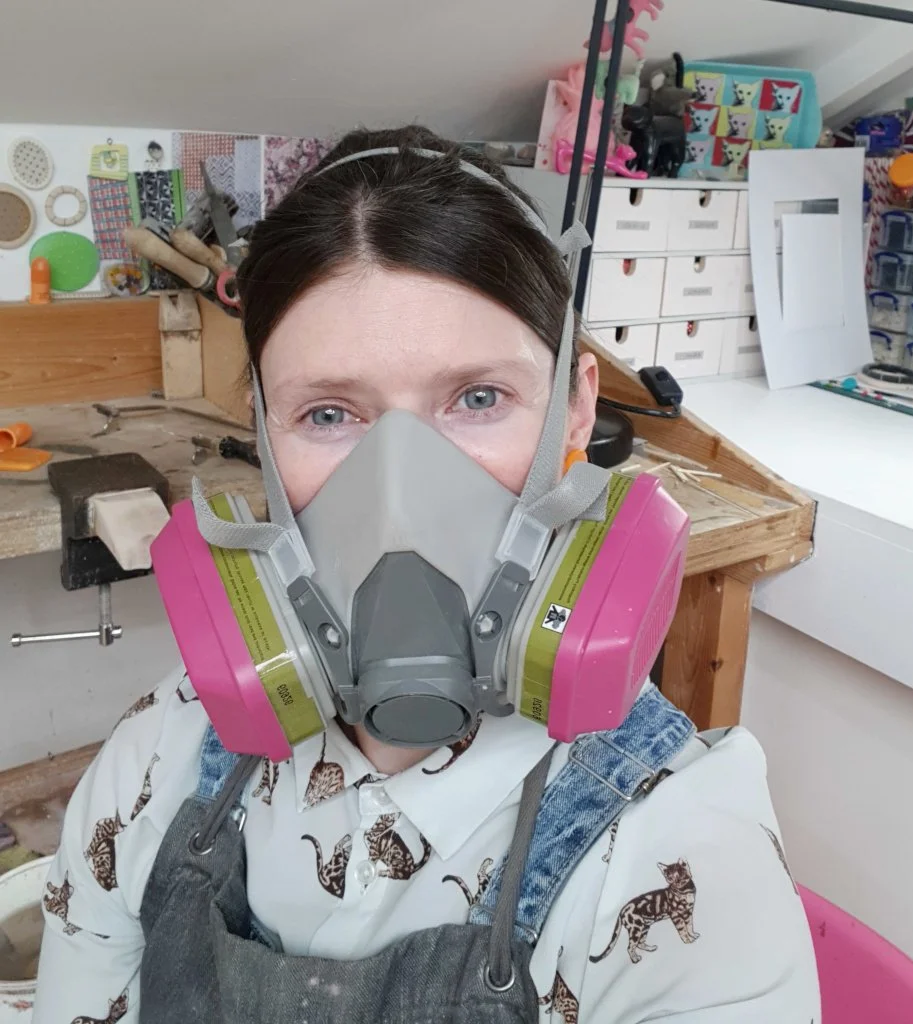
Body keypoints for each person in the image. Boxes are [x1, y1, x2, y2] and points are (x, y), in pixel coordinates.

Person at [33, 126, 819, 1023]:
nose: (398, 495)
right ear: (261, 429)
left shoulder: (681, 861)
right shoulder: (165, 752)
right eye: (328, 413)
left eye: (478, 398)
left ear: (577, 407)